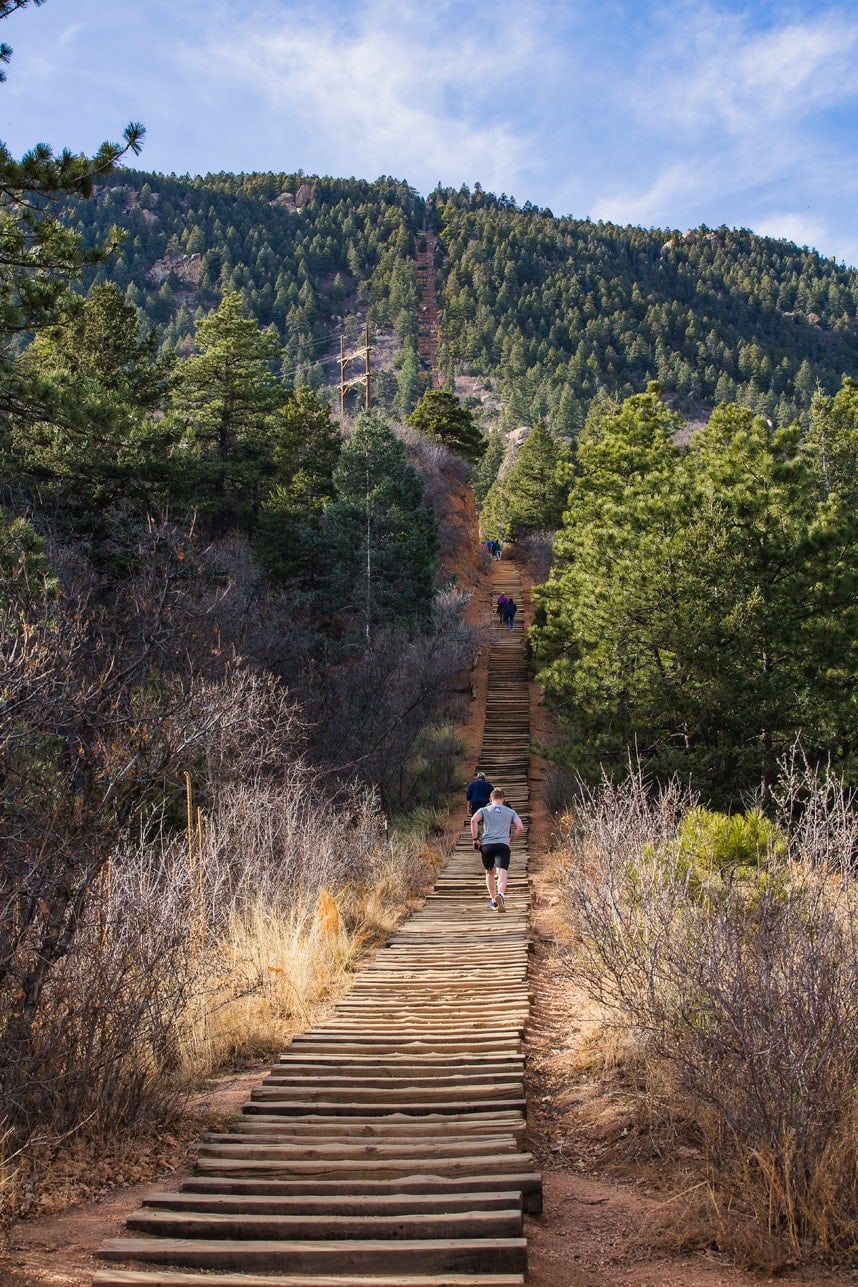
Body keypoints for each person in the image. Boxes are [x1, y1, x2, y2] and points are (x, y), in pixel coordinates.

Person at [470, 787, 524, 913]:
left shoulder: (484, 810)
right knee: (502, 871)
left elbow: (473, 820)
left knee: (489, 872)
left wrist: (475, 839)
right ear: (503, 799)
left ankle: (494, 900)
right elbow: (520, 827)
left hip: (487, 845)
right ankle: (501, 894)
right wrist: (510, 840)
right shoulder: (510, 812)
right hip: (502, 844)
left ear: (490, 799)